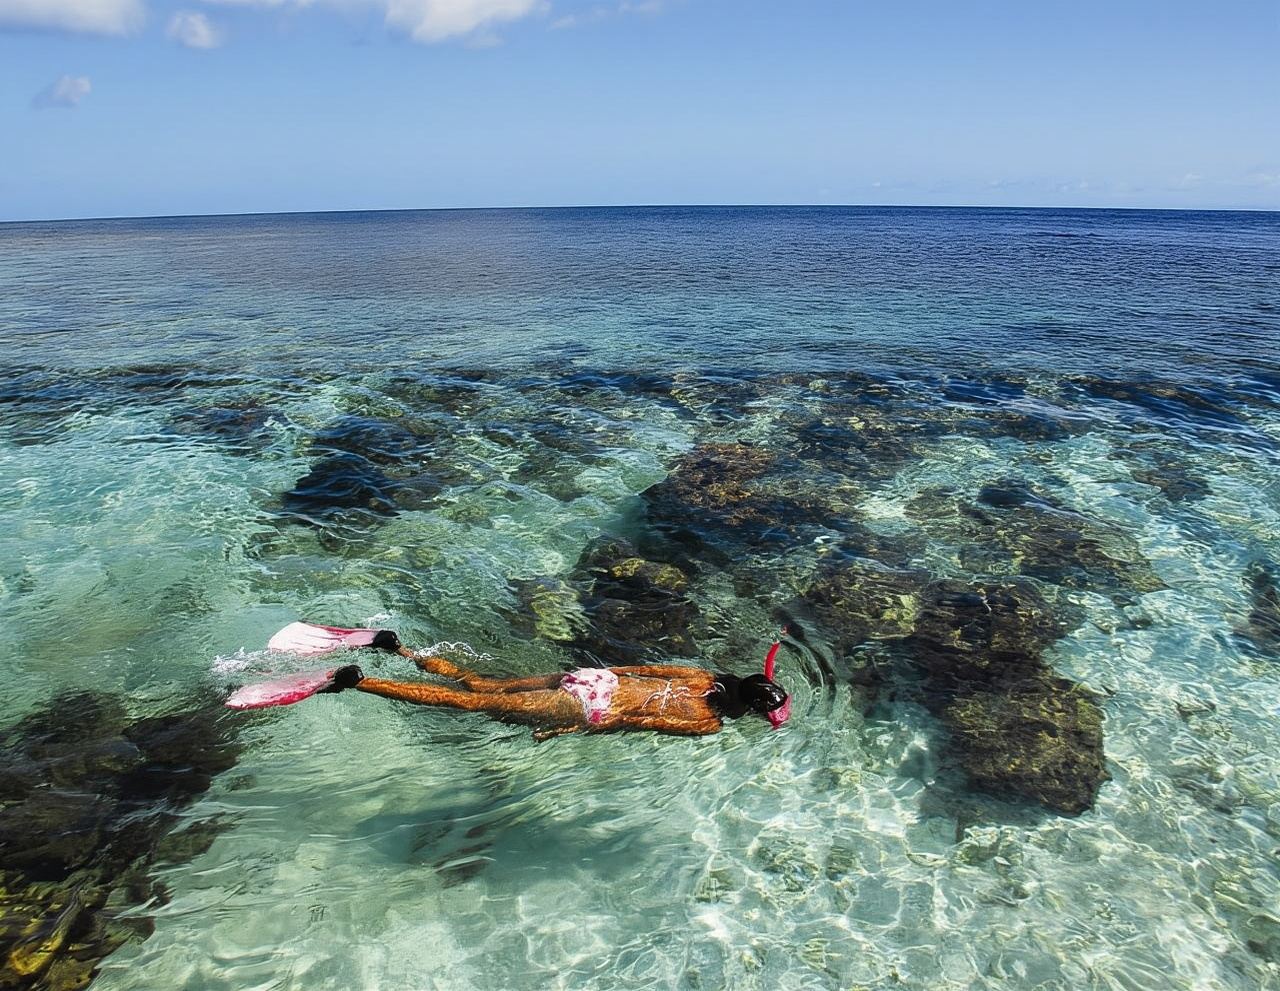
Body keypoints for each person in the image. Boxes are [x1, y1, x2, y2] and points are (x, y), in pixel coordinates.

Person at [318, 630, 791, 739]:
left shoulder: (702, 677)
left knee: (480, 682)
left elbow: (633, 671)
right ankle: (357, 682)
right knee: (467, 704)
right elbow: (637, 718)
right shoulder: (706, 724)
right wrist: (576, 728)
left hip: (590, 679)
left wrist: (592, 681)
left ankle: (396, 648)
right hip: (584, 707)